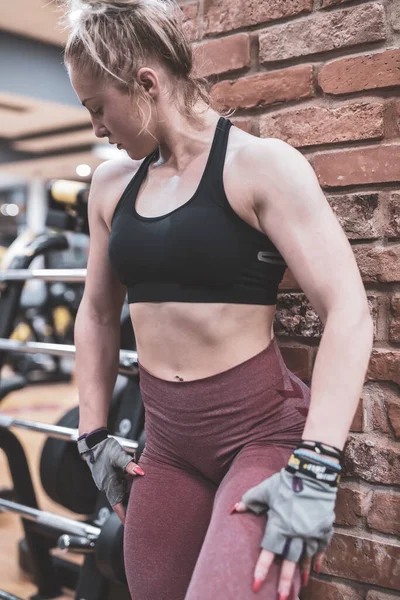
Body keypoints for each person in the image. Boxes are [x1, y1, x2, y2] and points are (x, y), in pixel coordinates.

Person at [62, 0, 374, 598]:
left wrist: (316, 464)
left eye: (98, 108)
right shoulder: (110, 186)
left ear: (146, 84)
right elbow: (98, 314)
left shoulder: (260, 167)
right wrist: (94, 432)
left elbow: (349, 311)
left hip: (261, 436)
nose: (96, 128)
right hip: (170, 445)